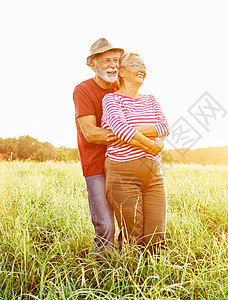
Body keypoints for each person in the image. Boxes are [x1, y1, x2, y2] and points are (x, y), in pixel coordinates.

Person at [101, 51, 169, 255]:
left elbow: (164, 127)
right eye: (136, 65)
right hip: (123, 174)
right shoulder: (111, 100)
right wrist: (150, 145)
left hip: (153, 174)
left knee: (157, 235)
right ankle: (132, 283)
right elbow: (120, 127)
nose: (142, 70)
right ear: (121, 72)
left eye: (144, 66)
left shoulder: (151, 99)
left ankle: (157, 282)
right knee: (134, 236)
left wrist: (130, 129)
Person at [73, 38, 124, 258]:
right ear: (93, 64)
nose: (113, 65)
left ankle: (125, 270)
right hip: (96, 166)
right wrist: (131, 137)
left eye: (116, 60)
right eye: (106, 61)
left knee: (128, 223)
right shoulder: (83, 90)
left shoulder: (121, 88)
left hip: (124, 162)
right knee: (105, 224)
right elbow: (91, 133)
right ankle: (103, 276)